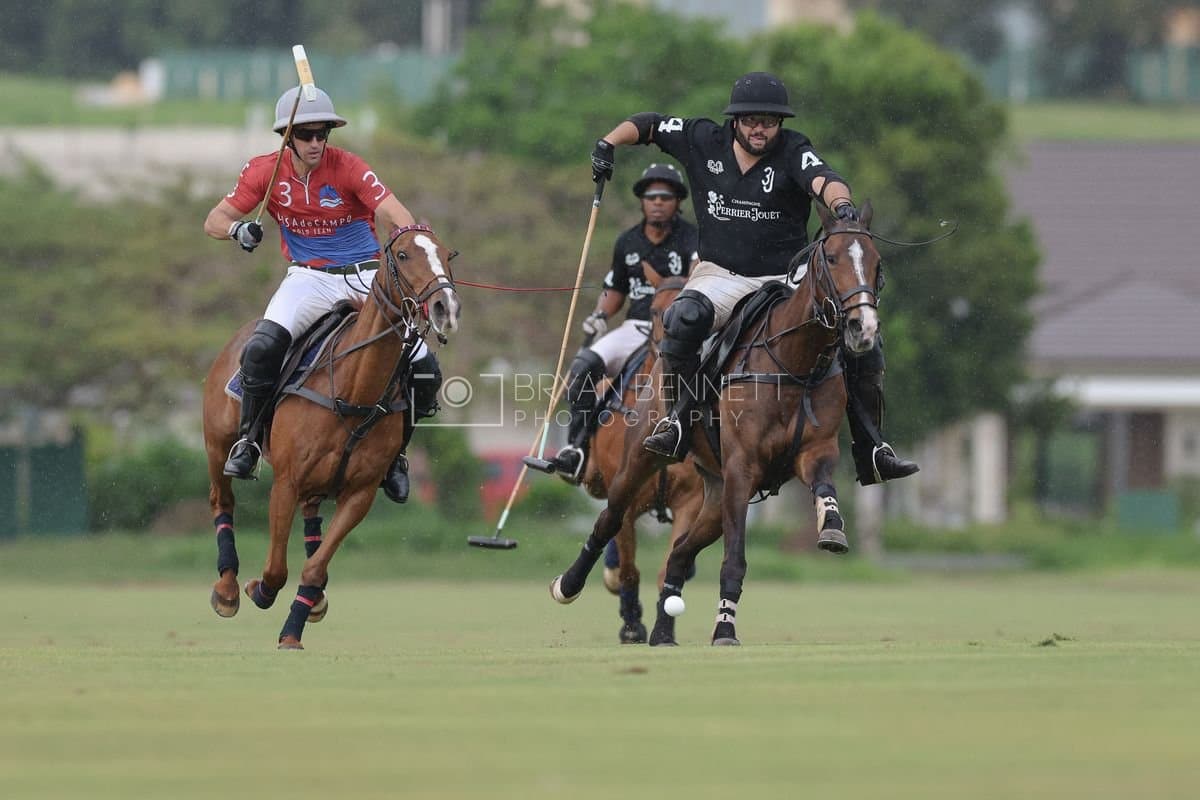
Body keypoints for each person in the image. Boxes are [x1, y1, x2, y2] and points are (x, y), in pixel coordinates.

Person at [587, 71, 918, 485]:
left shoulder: (793, 149)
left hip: (783, 281)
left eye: (770, 121)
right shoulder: (703, 139)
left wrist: (844, 206)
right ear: (735, 121)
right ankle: (675, 422)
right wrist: (608, 143)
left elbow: (825, 180)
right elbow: (650, 124)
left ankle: (871, 447)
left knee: (863, 341)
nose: (761, 129)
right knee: (682, 319)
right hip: (720, 275)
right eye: (752, 120)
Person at [203, 85, 441, 503]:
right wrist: (238, 230)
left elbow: (393, 213)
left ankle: (396, 456)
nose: (316, 143)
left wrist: (412, 243)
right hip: (308, 278)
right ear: (287, 136)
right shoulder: (264, 172)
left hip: (367, 275)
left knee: (425, 368)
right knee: (262, 348)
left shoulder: (348, 167)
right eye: (306, 135)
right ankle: (250, 441)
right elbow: (215, 220)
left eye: (322, 134)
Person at [543, 163, 699, 484]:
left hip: (681, 330)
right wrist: (600, 314)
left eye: (665, 196)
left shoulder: (692, 238)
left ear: (677, 202)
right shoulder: (627, 241)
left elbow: (698, 276)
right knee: (584, 365)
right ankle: (577, 447)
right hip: (637, 327)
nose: (657, 201)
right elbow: (616, 290)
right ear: (642, 201)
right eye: (651, 195)